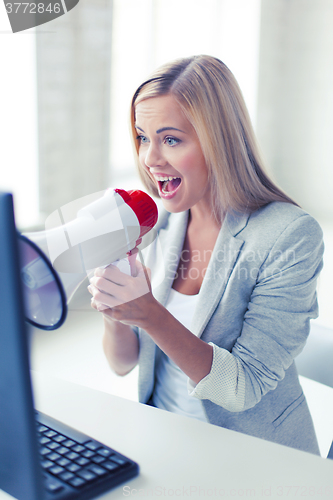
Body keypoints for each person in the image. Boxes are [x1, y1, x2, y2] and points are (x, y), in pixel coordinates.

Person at [88, 55, 324, 454]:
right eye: (143, 137)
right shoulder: (159, 223)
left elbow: (243, 386)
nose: (149, 159)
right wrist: (116, 311)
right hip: (162, 443)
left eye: (171, 139)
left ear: (220, 140)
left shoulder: (290, 236)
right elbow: (123, 363)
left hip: (250, 457)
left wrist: (149, 313)